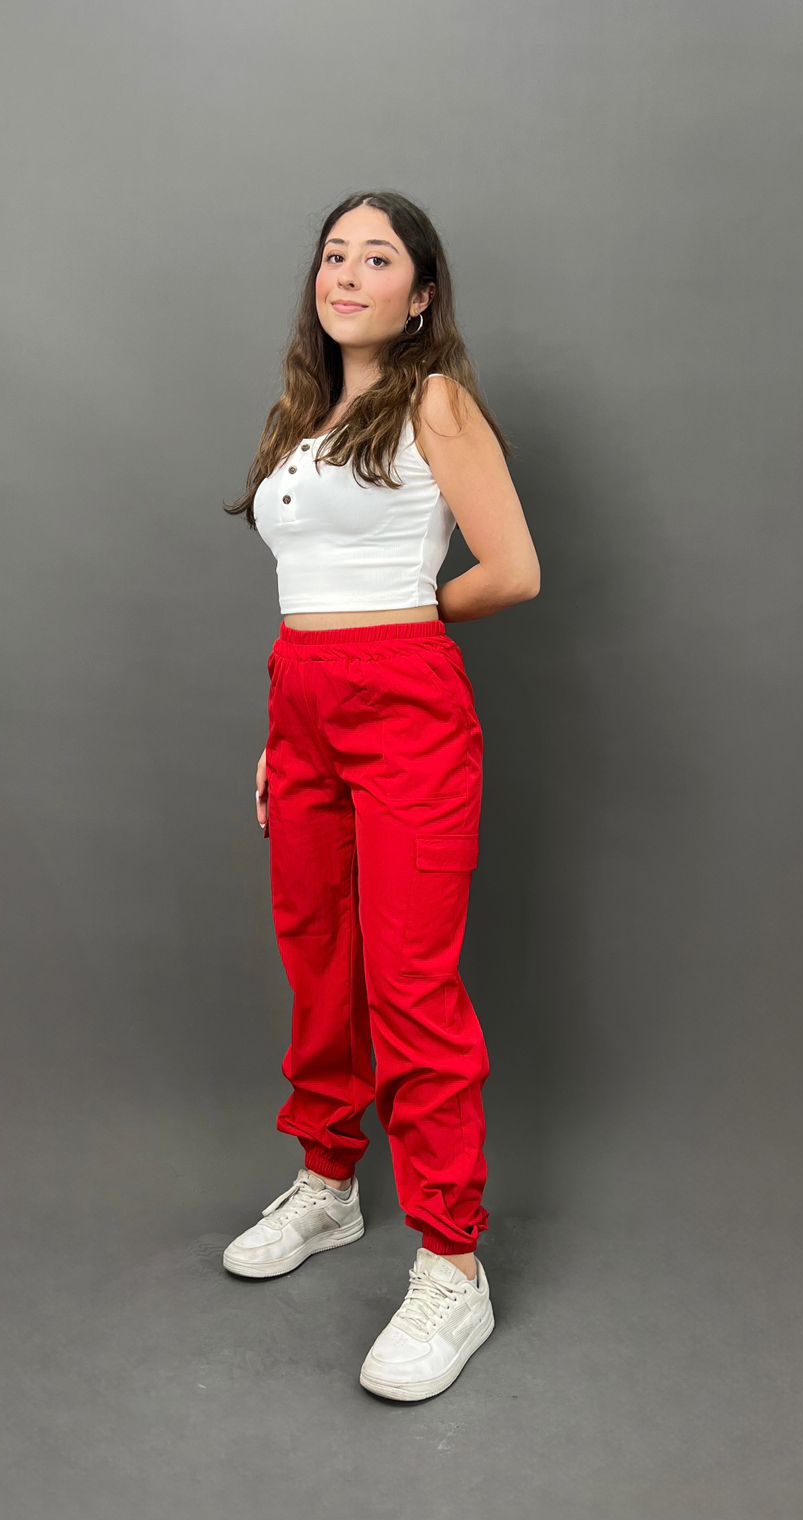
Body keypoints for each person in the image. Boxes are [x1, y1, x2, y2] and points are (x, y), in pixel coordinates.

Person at [222, 190, 541, 1401]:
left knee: (409, 982)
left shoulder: (435, 401)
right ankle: (328, 1184)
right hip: (300, 702)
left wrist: (406, 622)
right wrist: (283, 732)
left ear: (420, 293)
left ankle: (452, 1263)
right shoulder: (304, 419)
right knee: (318, 956)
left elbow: (512, 568)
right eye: (333, 254)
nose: (347, 273)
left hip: (404, 701)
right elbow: (307, 588)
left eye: (377, 257)